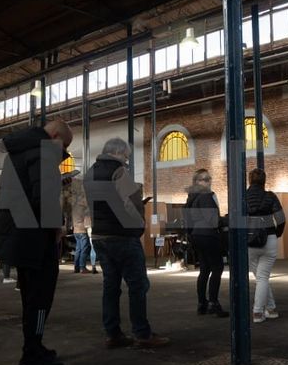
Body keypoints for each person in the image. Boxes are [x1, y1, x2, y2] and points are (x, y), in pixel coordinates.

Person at [0, 118, 74, 365]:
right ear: (55, 136)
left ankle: (34, 347)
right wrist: (57, 227)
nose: (64, 152)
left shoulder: (19, 150)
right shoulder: (43, 151)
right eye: (64, 145)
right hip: (34, 237)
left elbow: (29, 190)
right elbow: (44, 198)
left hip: (17, 233)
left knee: (30, 296)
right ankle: (31, 356)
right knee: (40, 297)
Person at [86, 137, 170, 349]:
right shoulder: (119, 172)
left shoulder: (89, 173)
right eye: (125, 156)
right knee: (138, 285)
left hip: (100, 236)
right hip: (122, 237)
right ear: (116, 152)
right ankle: (142, 333)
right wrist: (139, 225)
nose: (126, 160)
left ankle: (112, 334)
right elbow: (130, 203)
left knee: (110, 286)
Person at [183, 169, 228, 317]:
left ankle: (202, 304)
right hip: (208, 236)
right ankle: (213, 304)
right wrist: (228, 219)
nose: (208, 182)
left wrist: (191, 235)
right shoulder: (206, 196)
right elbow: (213, 220)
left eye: (209, 178)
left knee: (204, 270)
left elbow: (187, 220)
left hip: (197, 236)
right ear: (197, 181)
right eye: (204, 179)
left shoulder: (192, 197)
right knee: (217, 268)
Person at [246, 168, 286, 323]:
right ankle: (269, 308)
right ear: (264, 181)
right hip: (269, 238)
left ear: (250, 180)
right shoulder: (270, 196)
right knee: (263, 277)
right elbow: (281, 218)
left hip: (249, 240)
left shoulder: (243, 197)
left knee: (261, 277)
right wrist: (276, 234)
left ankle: (259, 312)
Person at [70, 179, 95, 274]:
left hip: (76, 230)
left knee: (78, 249)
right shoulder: (83, 203)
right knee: (84, 249)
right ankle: (82, 267)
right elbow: (88, 215)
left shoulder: (74, 204)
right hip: (82, 229)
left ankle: (76, 267)